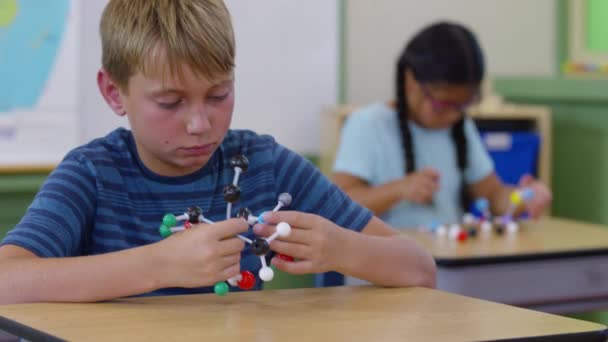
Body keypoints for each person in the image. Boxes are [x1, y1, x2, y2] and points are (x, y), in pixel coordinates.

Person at [0, 0, 435, 304]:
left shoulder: (261, 164)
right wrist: (158, 266)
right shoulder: (94, 172)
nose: (199, 124)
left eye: (219, 94)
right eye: (170, 102)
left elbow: (418, 269)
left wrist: (341, 248)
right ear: (115, 92)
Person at [332, 22, 552, 229]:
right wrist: (399, 189)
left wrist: (522, 197)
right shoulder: (368, 125)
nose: (453, 115)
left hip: (447, 259)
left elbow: (493, 194)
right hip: (381, 264)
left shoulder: (460, 126)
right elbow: (338, 206)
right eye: (442, 104)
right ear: (411, 82)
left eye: (463, 105)